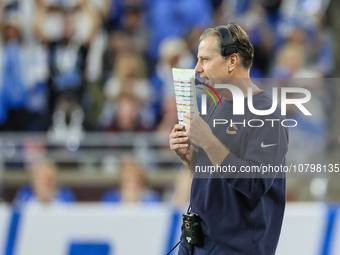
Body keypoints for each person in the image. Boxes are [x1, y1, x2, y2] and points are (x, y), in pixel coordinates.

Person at [169, 23, 289, 255]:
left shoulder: (267, 114)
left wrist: (207, 142)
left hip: (234, 247)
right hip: (196, 240)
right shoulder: (217, 105)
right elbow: (213, 175)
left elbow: (255, 183)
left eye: (205, 59)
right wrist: (188, 158)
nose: (197, 69)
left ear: (232, 61)